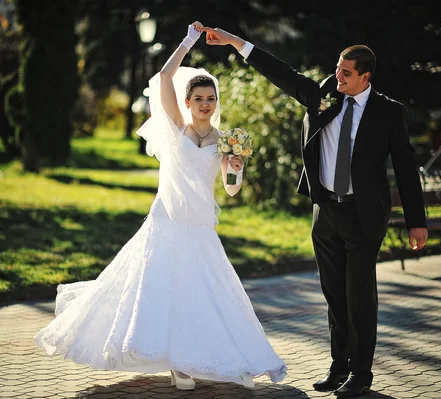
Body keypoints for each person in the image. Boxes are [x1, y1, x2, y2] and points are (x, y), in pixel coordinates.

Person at [34, 22, 287, 391]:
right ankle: (176, 364)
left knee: (209, 292)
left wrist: (236, 169)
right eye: (199, 99)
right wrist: (188, 40)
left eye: (211, 99)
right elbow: (164, 75)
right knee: (160, 288)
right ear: (188, 103)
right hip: (167, 219)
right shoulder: (176, 126)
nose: (205, 105)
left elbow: (231, 191)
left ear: (217, 103)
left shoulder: (226, 139)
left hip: (200, 223)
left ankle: (221, 359)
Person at [204, 27, 428, 397]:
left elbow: (405, 168)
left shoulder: (388, 113)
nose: (337, 76)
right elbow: (282, 73)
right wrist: (234, 42)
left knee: (359, 297)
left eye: (346, 73)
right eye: (337, 68)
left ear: (365, 77)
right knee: (334, 297)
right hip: (325, 214)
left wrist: (417, 223)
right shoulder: (325, 95)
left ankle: (361, 373)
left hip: (364, 217)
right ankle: (339, 367)